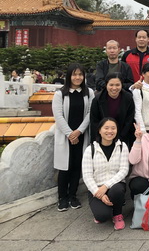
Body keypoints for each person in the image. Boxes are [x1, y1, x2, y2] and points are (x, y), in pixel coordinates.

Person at [53, 63, 94, 212]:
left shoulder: (88, 92)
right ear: (69, 76)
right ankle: (62, 197)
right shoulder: (60, 94)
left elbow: (90, 113)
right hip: (66, 137)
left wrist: (79, 132)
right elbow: (58, 116)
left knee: (77, 166)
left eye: (80, 74)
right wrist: (70, 134)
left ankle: (73, 196)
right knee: (65, 168)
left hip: (81, 136)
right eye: (74, 74)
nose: (77, 77)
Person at [82, 117, 129, 229]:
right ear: (99, 130)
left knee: (117, 191)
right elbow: (87, 175)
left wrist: (106, 186)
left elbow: (124, 170)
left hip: (115, 185)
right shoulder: (90, 150)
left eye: (113, 128)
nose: (110, 131)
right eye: (106, 128)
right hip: (97, 188)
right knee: (102, 216)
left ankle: (117, 215)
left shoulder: (122, 147)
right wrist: (99, 193)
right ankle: (104, 210)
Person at [90, 73, 135, 147]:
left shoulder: (128, 98)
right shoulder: (98, 99)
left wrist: (119, 138)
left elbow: (129, 121)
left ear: (122, 85)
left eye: (117, 85)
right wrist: (102, 138)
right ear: (106, 85)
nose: (114, 88)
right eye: (111, 85)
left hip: (122, 137)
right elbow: (94, 121)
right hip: (102, 138)